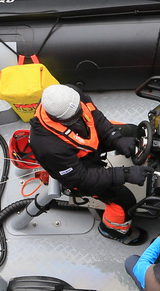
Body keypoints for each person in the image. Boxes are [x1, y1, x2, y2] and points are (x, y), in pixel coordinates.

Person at [25, 83, 150, 245]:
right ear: (60, 119)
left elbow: (94, 116)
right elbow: (80, 178)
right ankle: (113, 230)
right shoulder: (48, 147)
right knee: (124, 201)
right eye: (74, 115)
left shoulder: (72, 94)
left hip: (86, 141)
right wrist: (125, 174)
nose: (79, 111)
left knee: (131, 132)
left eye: (78, 109)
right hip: (78, 171)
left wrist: (115, 139)